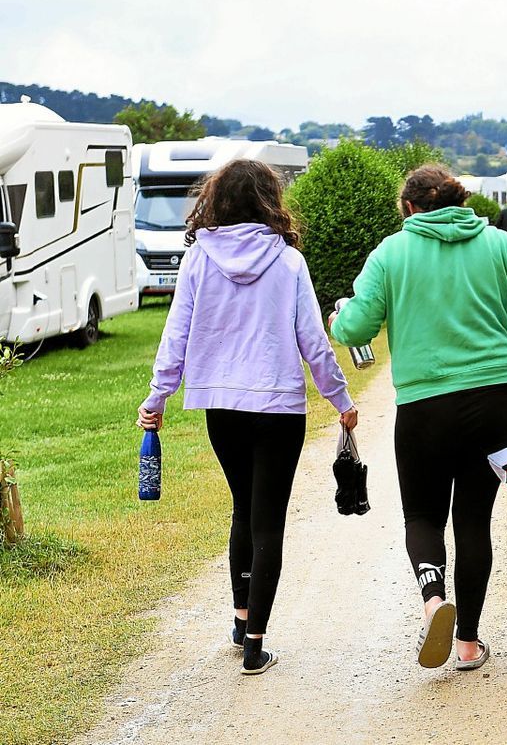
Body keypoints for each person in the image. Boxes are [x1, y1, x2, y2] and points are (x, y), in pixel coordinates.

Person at [330, 164, 507, 671]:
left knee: (423, 515)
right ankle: (467, 644)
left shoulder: (390, 253)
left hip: (425, 405)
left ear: (408, 208)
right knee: (474, 519)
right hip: (495, 400)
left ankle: (433, 601)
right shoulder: (497, 243)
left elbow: (356, 326)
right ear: (459, 199)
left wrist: (338, 317)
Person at [137, 159, 357, 675]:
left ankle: (240, 623)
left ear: (218, 200)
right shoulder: (288, 261)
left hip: (222, 406)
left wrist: (158, 397)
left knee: (242, 508)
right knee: (268, 520)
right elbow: (312, 341)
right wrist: (340, 400)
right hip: (278, 405)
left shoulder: (198, 258)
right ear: (269, 200)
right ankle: (256, 642)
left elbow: (177, 334)